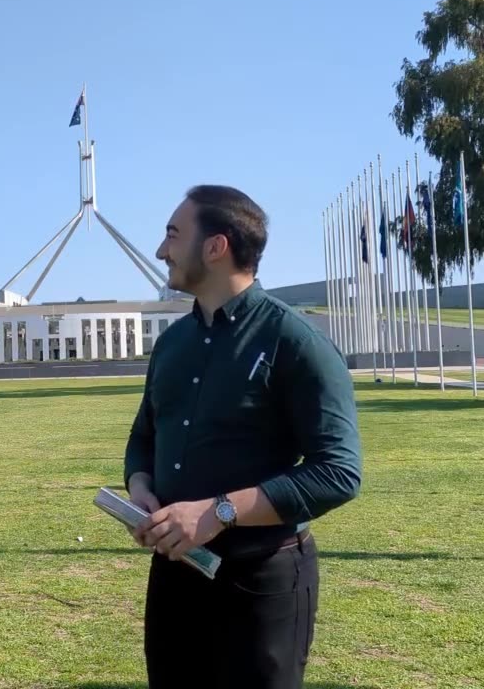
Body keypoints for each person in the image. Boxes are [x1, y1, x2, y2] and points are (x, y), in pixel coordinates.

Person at [124, 185, 362, 689]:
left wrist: (216, 512)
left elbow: (338, 472)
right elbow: (144, 436)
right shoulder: (171, 345)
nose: (161, 250)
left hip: (262, 583)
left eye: (172, 234)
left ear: (216, 247)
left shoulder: (295, 342)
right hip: (175, 576)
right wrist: (140, 488)